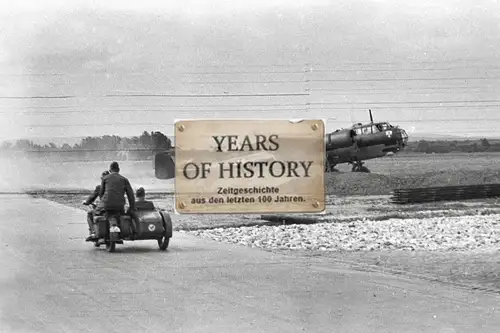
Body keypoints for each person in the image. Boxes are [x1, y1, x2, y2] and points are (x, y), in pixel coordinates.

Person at [99, 161, 137, 237]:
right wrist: (132, 207)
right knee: (120, 216)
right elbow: (131, 195)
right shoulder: (124, 179)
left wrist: (103, 203)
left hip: (107, 205)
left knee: (108, 216)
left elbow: (101, 194)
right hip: (119, 206)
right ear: (119, 169)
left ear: (110, 170)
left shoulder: (105, 178)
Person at [82, 170, 109, 241]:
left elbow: (92, 197)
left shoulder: (99, 187)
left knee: (90, 214)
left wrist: (87, 202)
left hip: (104, 208)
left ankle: (93, 232)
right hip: (116, 208)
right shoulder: (114, 186)